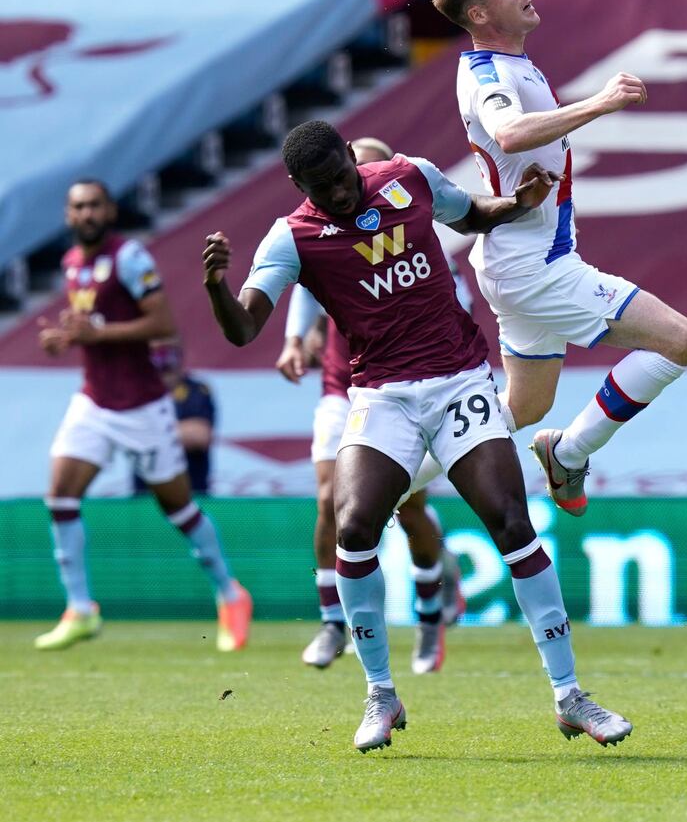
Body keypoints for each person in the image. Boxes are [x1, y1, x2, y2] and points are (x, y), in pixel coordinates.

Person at [203, 119, 632, 753]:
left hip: (459, 382)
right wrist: (217, 287)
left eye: (343, 178)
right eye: (321, 188)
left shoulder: (409, 176)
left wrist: (516, 204)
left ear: (354, 157)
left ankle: (570, 696)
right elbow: (243, 329)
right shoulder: (290, 238)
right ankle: (381, 693)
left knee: (512, 522)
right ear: (298, 185)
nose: (340, 195)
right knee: (352, 527)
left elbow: (471, 215)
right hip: (382, 397)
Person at [431, 0, 687, 516]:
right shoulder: (490, 73)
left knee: (522, 410)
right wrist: (600, 102)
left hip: (515, 260)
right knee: (677, 340)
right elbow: (508, 132)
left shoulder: (510, 64)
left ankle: (394, 479)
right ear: (478, 14)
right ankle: (569, 455)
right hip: (536, 269)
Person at [35, 179, 251, 652]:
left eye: (94, 205)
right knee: (60, 497)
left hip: (143, 406)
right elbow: (91, 330)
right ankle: (81, 609)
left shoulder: (130, 257)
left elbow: (163, 327)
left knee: (178, 508)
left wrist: (96, 332)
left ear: (109, 210)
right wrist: (66, 339)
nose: (87, 213)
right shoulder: (73, 263)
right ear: (69, 216)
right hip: (93, 401)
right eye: (78, 207)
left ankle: (231, 595)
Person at [276, 136, 465, 675]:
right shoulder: (319, 236)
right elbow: (306, 288)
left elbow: (454, 304)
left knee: (408, 507)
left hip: (407, 390)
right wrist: (296, 340)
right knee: (328, 499)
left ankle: (430, 616)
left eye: (362, 167)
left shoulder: (412, 234)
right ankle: (333, 621)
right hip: (343, 387)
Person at [134, 335, 216, 496]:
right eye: (156, 353)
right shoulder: (136, 392)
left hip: (192, 493)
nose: (163, 360)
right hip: (144, 498)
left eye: (168, 352)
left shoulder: (197, 390)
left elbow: (198, 436)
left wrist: (146, 432)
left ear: (180, 354)